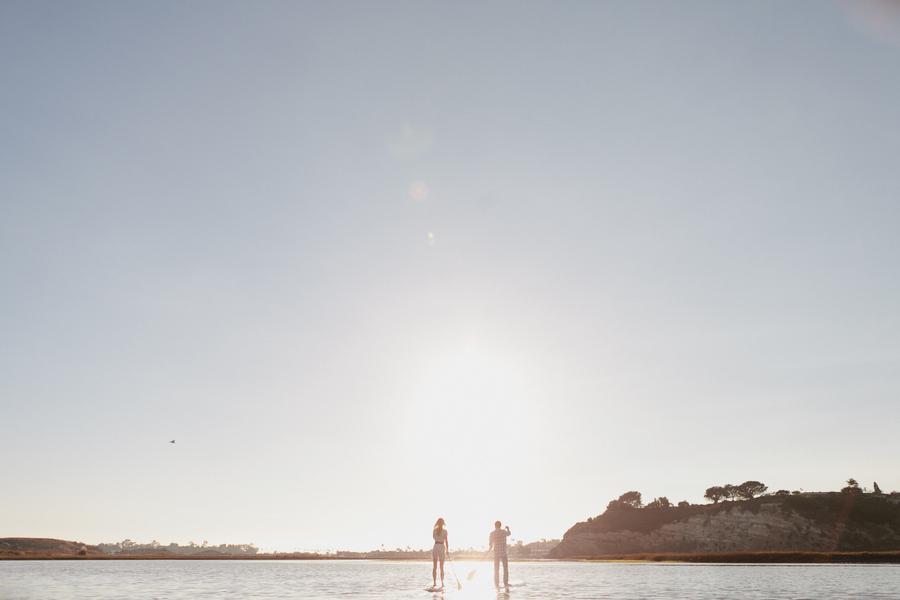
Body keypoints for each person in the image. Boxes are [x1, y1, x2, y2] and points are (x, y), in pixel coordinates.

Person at [488, 520, 511, 589]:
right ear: (500, 526)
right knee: (505, 569)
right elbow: (509, 533)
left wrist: (490, 546)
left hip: (496, 554)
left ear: (495, 526)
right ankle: (505, 583)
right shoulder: (503, 532)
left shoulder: (492, 533)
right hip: (503, 553)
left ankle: (497, 584)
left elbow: (490, 543)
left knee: (496, 569)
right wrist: (508, 529)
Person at [432, 518, 449, 588]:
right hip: (441, 547)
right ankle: (442, 583)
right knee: (441, 567)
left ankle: (435, 583)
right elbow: (446, 541)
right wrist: (447, 549)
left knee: (435, 566)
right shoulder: (445, 531)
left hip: (436, 546)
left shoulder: (434, 531)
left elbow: (433, 538)